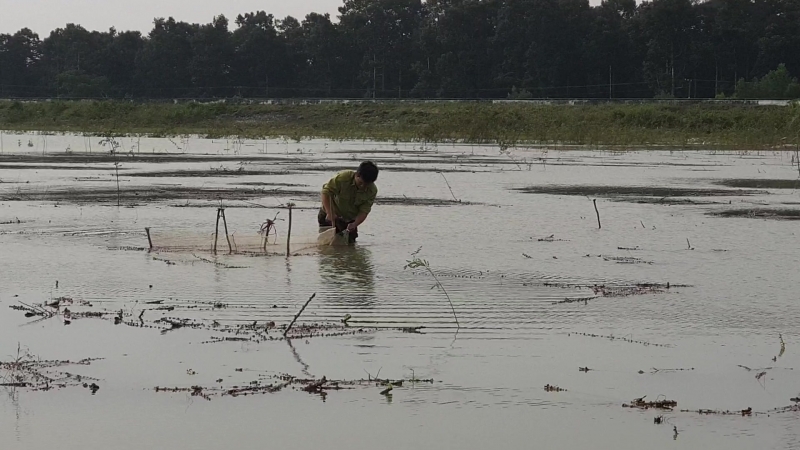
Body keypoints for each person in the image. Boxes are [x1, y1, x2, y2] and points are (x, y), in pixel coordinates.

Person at [318, 161, 379, 243]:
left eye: (366, 185)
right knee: (326, 245)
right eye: (361, 183)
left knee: (349, 246)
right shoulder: (343, 178)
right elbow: (326, 192)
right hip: (329, 215)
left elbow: (364, 211)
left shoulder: (372, 191)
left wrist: (355, 224)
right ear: (357, 175)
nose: (363, 187)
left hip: (348, 220)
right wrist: (330, 213)